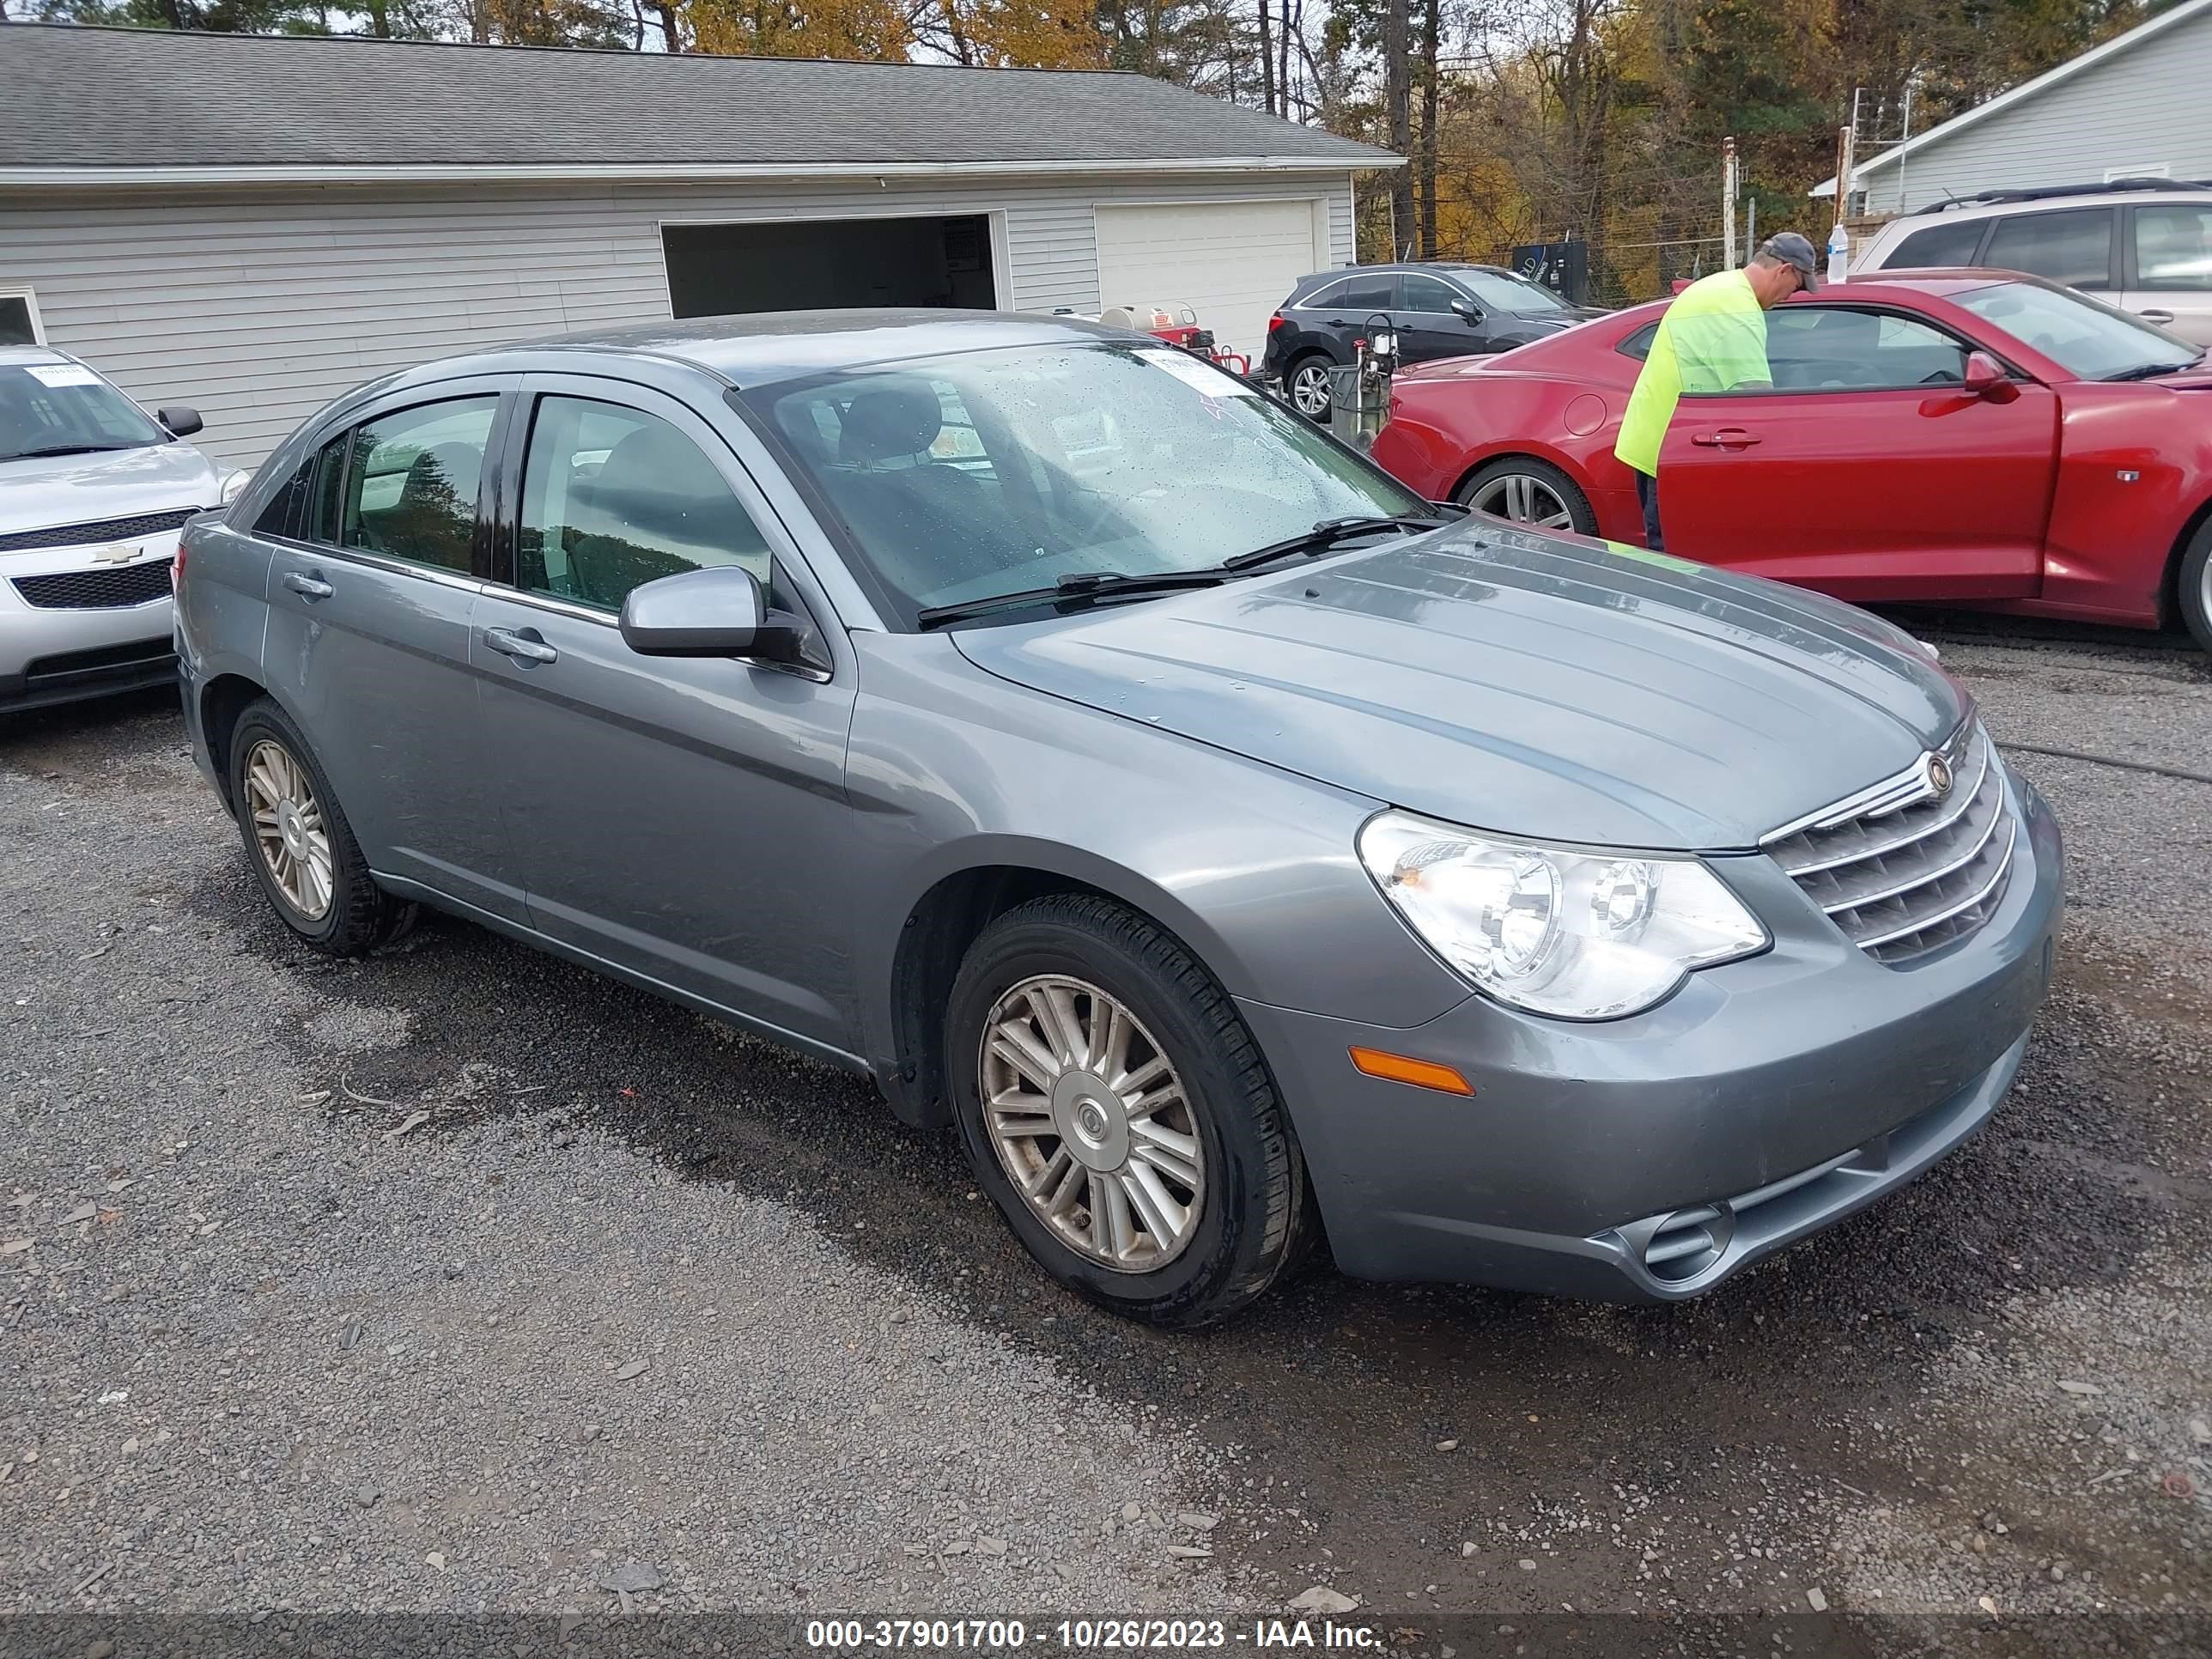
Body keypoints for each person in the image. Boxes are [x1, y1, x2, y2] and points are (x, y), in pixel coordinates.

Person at [1614, 232, 1821, 551]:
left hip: (1661, 438)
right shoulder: (1737, 312)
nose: (1789, 297)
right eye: (1794, 288)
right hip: (1678, 450)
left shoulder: (1721, 286)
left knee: (1670, 550)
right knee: (1675, 560)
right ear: (1783, 271)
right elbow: (1755, 397)